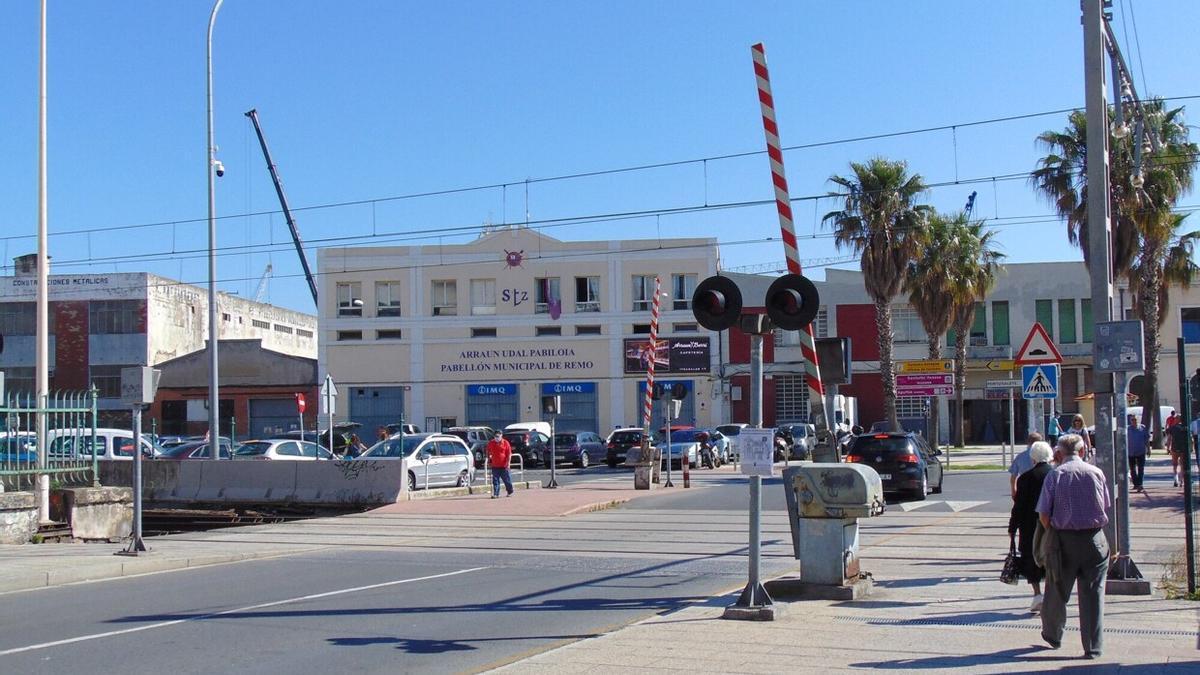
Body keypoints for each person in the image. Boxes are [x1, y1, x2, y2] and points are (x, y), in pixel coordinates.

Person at [1036, 433, 1111, 658]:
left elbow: (1043, 514)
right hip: (1094, 539)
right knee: (1093, 594)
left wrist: (1054, 532)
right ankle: (1093, 646)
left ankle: (1053, 634)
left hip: (1063, 540)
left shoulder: (1055, 475)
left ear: (1059, 453)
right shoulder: (1096, 473)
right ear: (1081, 451)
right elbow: (1105, 505)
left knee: (1056, 590)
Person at [1009, 440, 1054, 613]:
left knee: (1030, 559)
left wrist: (1012, 528)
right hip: (1052, 525)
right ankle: (1050, 594)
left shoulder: (1025, 478)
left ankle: (1037, 594)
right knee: (1051, 559)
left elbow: (1018, 507)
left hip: (1029, 526)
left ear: (1032, 457)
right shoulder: (1056, 475)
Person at [1009, 432, 1044, 499]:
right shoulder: (1044, 456)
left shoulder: (1020, 457)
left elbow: (1013, 477)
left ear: (1028, 442)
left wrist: (1013, 490)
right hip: (1040, 488)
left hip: (1024, 487)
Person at [486, 431, 514, 498]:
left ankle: (510, 490)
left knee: (507, 481)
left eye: (498, 436)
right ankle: (496, 494)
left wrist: (508, 463)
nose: (496, 438)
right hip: (495, 465)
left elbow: (509, 454)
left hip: (504, 466)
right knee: (495, 481)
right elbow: (488, 451)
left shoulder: (505, 443)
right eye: (495, 436)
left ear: (501, 436)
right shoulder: (491, 443)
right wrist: (489, 460)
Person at [1126, 414, 1148, 491]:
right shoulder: (1127, 429)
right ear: (1130, 421)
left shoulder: (1142, 428)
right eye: (1132, 420)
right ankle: (1136, 484)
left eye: (1135, 420)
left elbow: (1146, 439)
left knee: (1141, 469)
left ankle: (1140, 484)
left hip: (1141, 451)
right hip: (1131, 452)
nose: (1134, 421)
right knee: (1132, 469)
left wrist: (1148, 449)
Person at [1166, 416, 1189, 488]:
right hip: (1182, 449)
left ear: (1177, 420)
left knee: (1175, 465)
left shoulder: (1172, 428)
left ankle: (1176, 479)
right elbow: (1189, 438)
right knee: (1182, 465)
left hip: (1174, 448)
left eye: (1175, 419)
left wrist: (1168, 447)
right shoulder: (1184, 428)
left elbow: (1169, 438)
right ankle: (1181, 481)